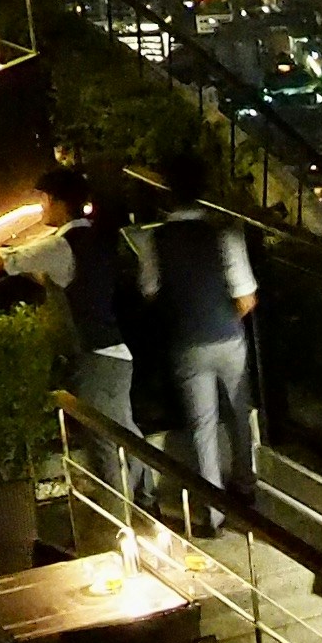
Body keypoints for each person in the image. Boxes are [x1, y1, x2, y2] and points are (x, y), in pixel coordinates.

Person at [130, 173, 258, 502]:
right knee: (238, 414)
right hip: (228, 336)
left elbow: (149, 290)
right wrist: (222, 317)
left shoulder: (154, 240)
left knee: (203, 425)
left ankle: (213, 506)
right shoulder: (225, 233)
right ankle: (245, 485)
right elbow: (246, 298)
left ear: (168, 196)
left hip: (186, 341)